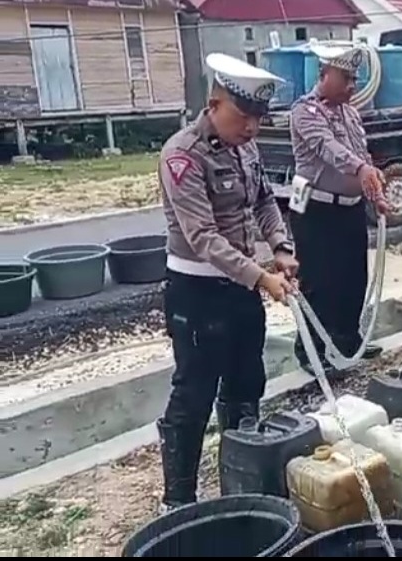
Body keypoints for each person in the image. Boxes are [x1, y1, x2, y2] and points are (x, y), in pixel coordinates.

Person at [156, 53, 296, 512]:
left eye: (258, 118)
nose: (252, 128)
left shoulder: (245, 147)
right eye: (244, 117)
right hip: (196, 293)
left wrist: (281, 248)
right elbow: (202, 237)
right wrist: (261, 277)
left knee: (245, 383)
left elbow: (264, 201)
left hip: (241, 289)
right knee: (193, 393)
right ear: (214, 104)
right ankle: (179, 500)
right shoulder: (182, 154)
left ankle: (239, 482)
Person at [289, 42, 390, 374]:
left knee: (352, 278)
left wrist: (375, 191)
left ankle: (347, 341)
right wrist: (361, 170)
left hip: (349, 208)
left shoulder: (350, 112)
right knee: (319, 282)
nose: (352, 85)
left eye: (354, 79)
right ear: (324, 74)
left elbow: (362, 154)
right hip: (316, 212)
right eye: (345, 78)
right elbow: (328, 149)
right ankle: (312, 351)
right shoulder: (304, 111)